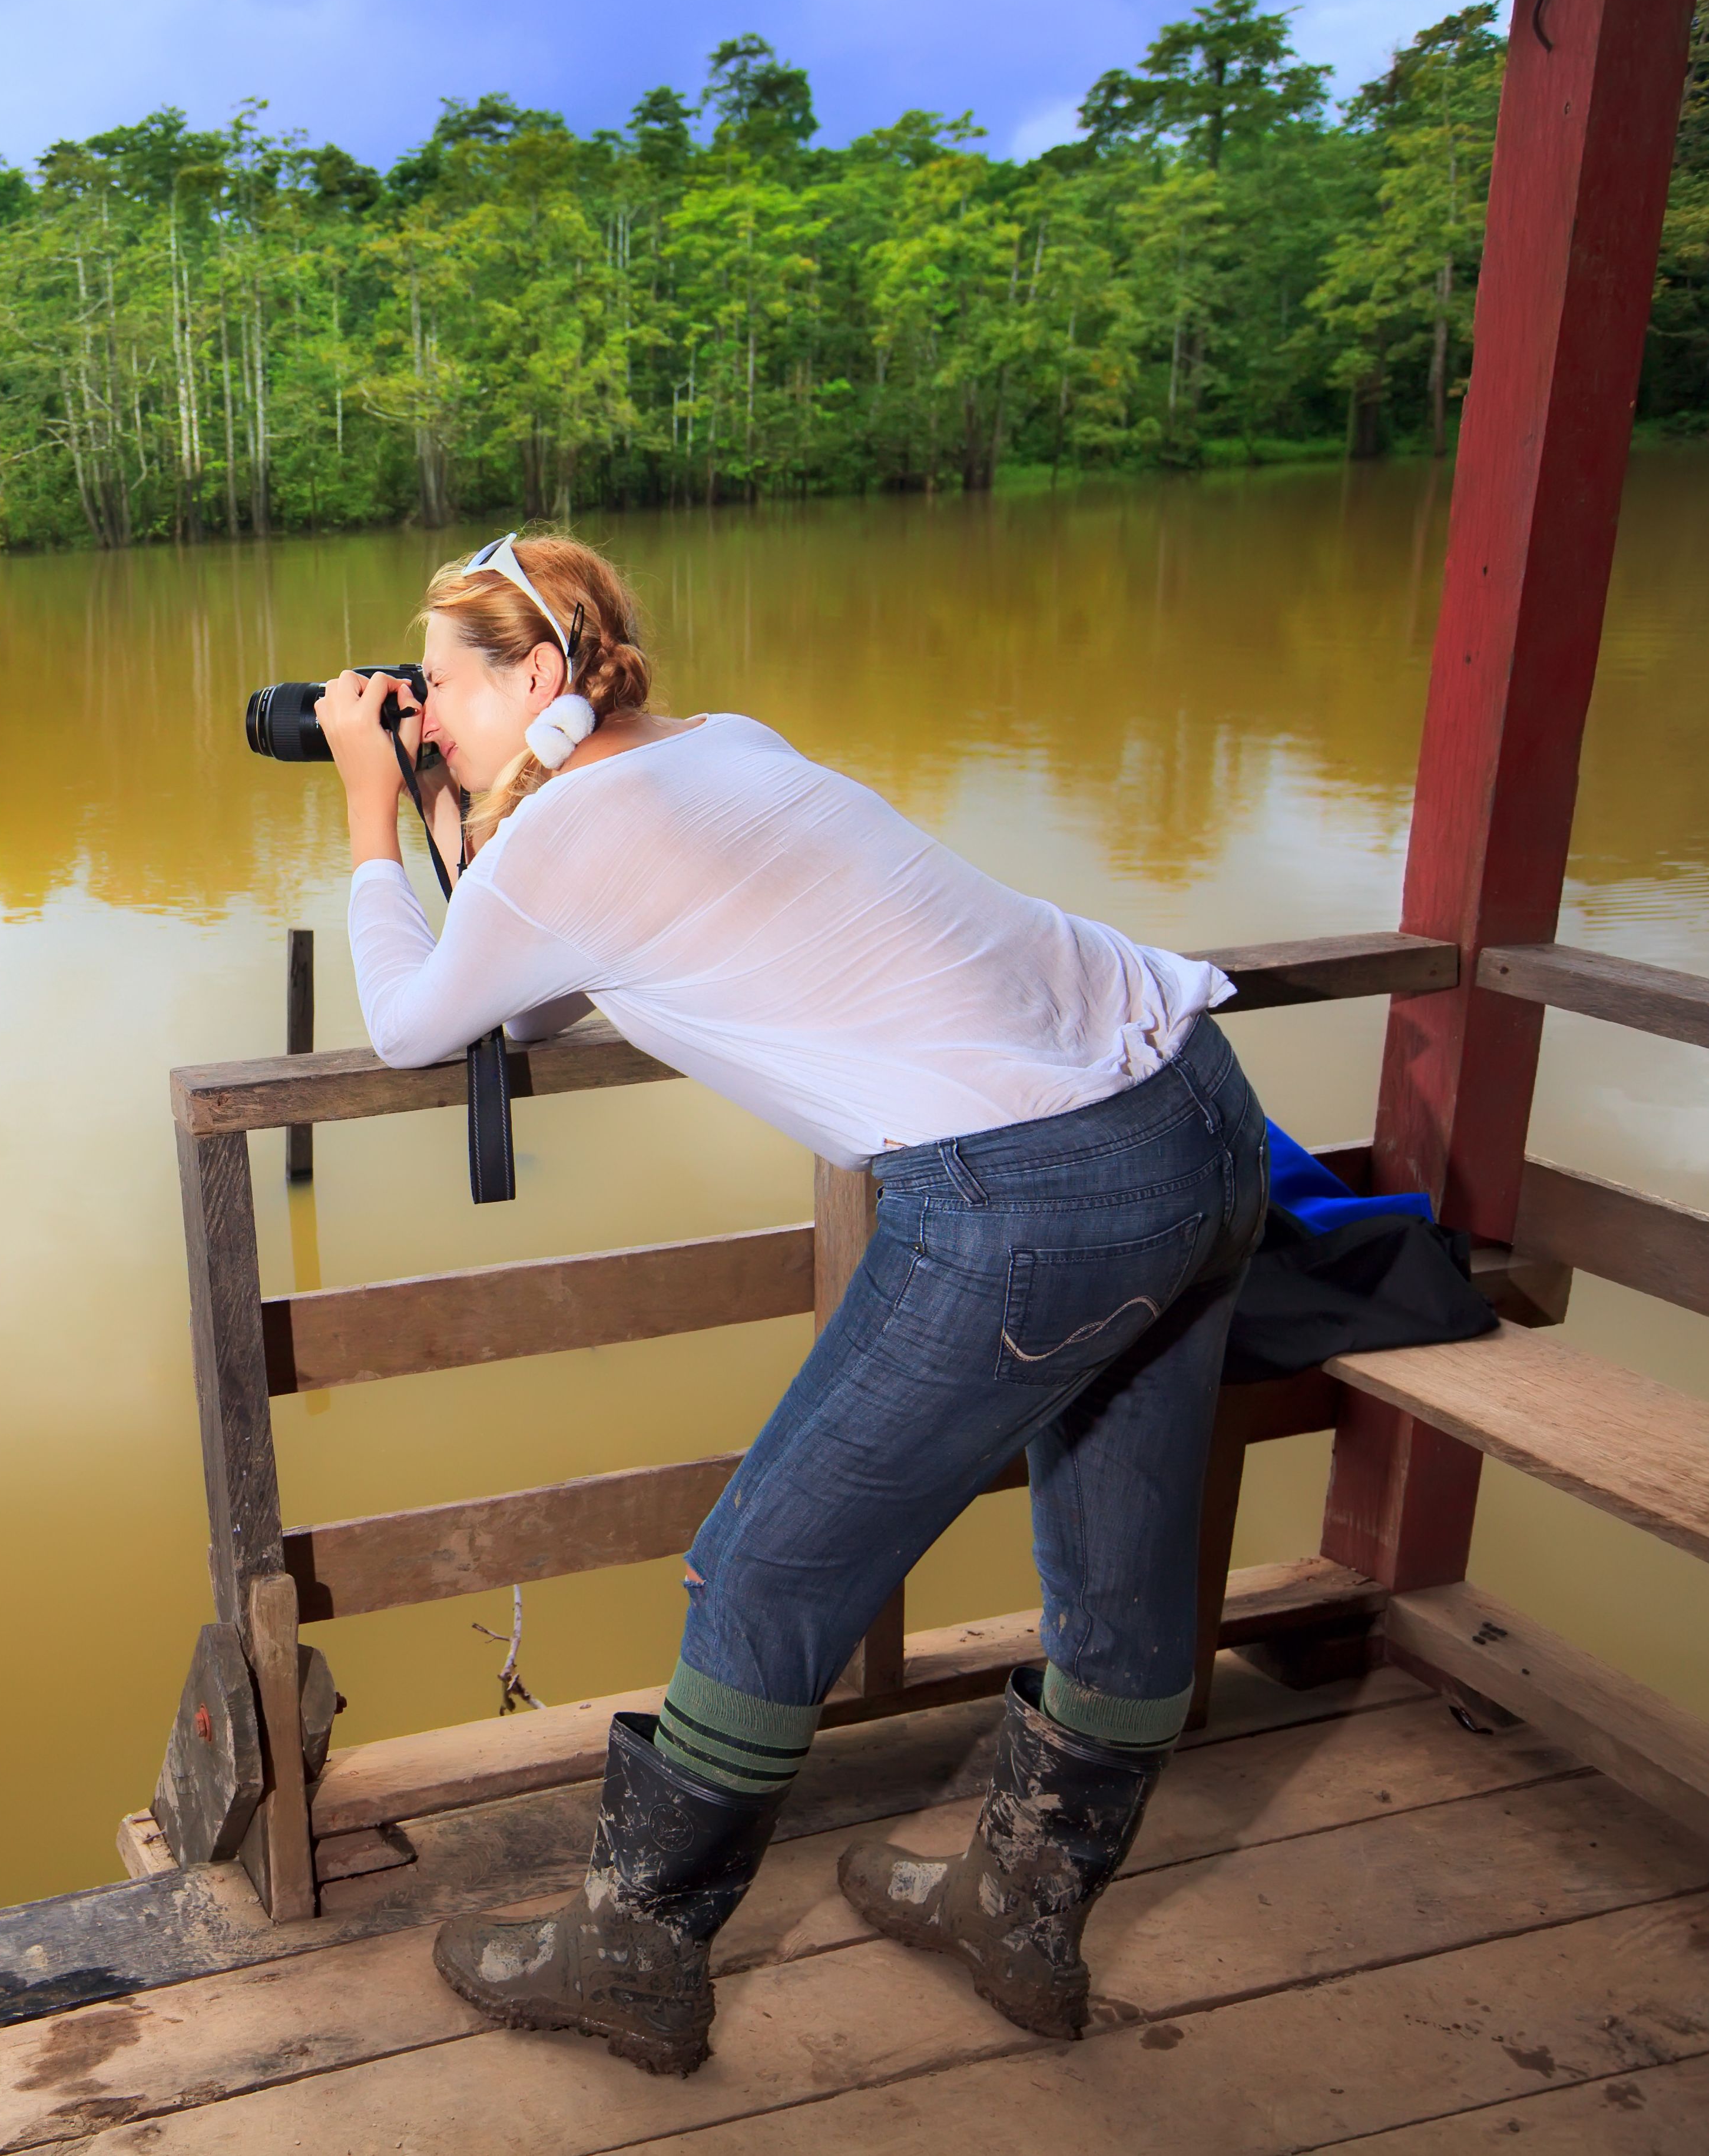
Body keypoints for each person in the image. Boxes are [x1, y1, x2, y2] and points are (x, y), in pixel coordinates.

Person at [316, 531, 1266, 2077]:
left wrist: (369, 806)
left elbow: (417, 1021)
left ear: (538, 676)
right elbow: (536, 972)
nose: (416, 707)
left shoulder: (567, 839)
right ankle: (1021, 1910)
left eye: (436, 682)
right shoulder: (719, 746)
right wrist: (450, 805)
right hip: (1197, 1113)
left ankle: (636, 1955)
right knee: (1118, 1558)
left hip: (1032, 1195)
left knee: (760, 1570)